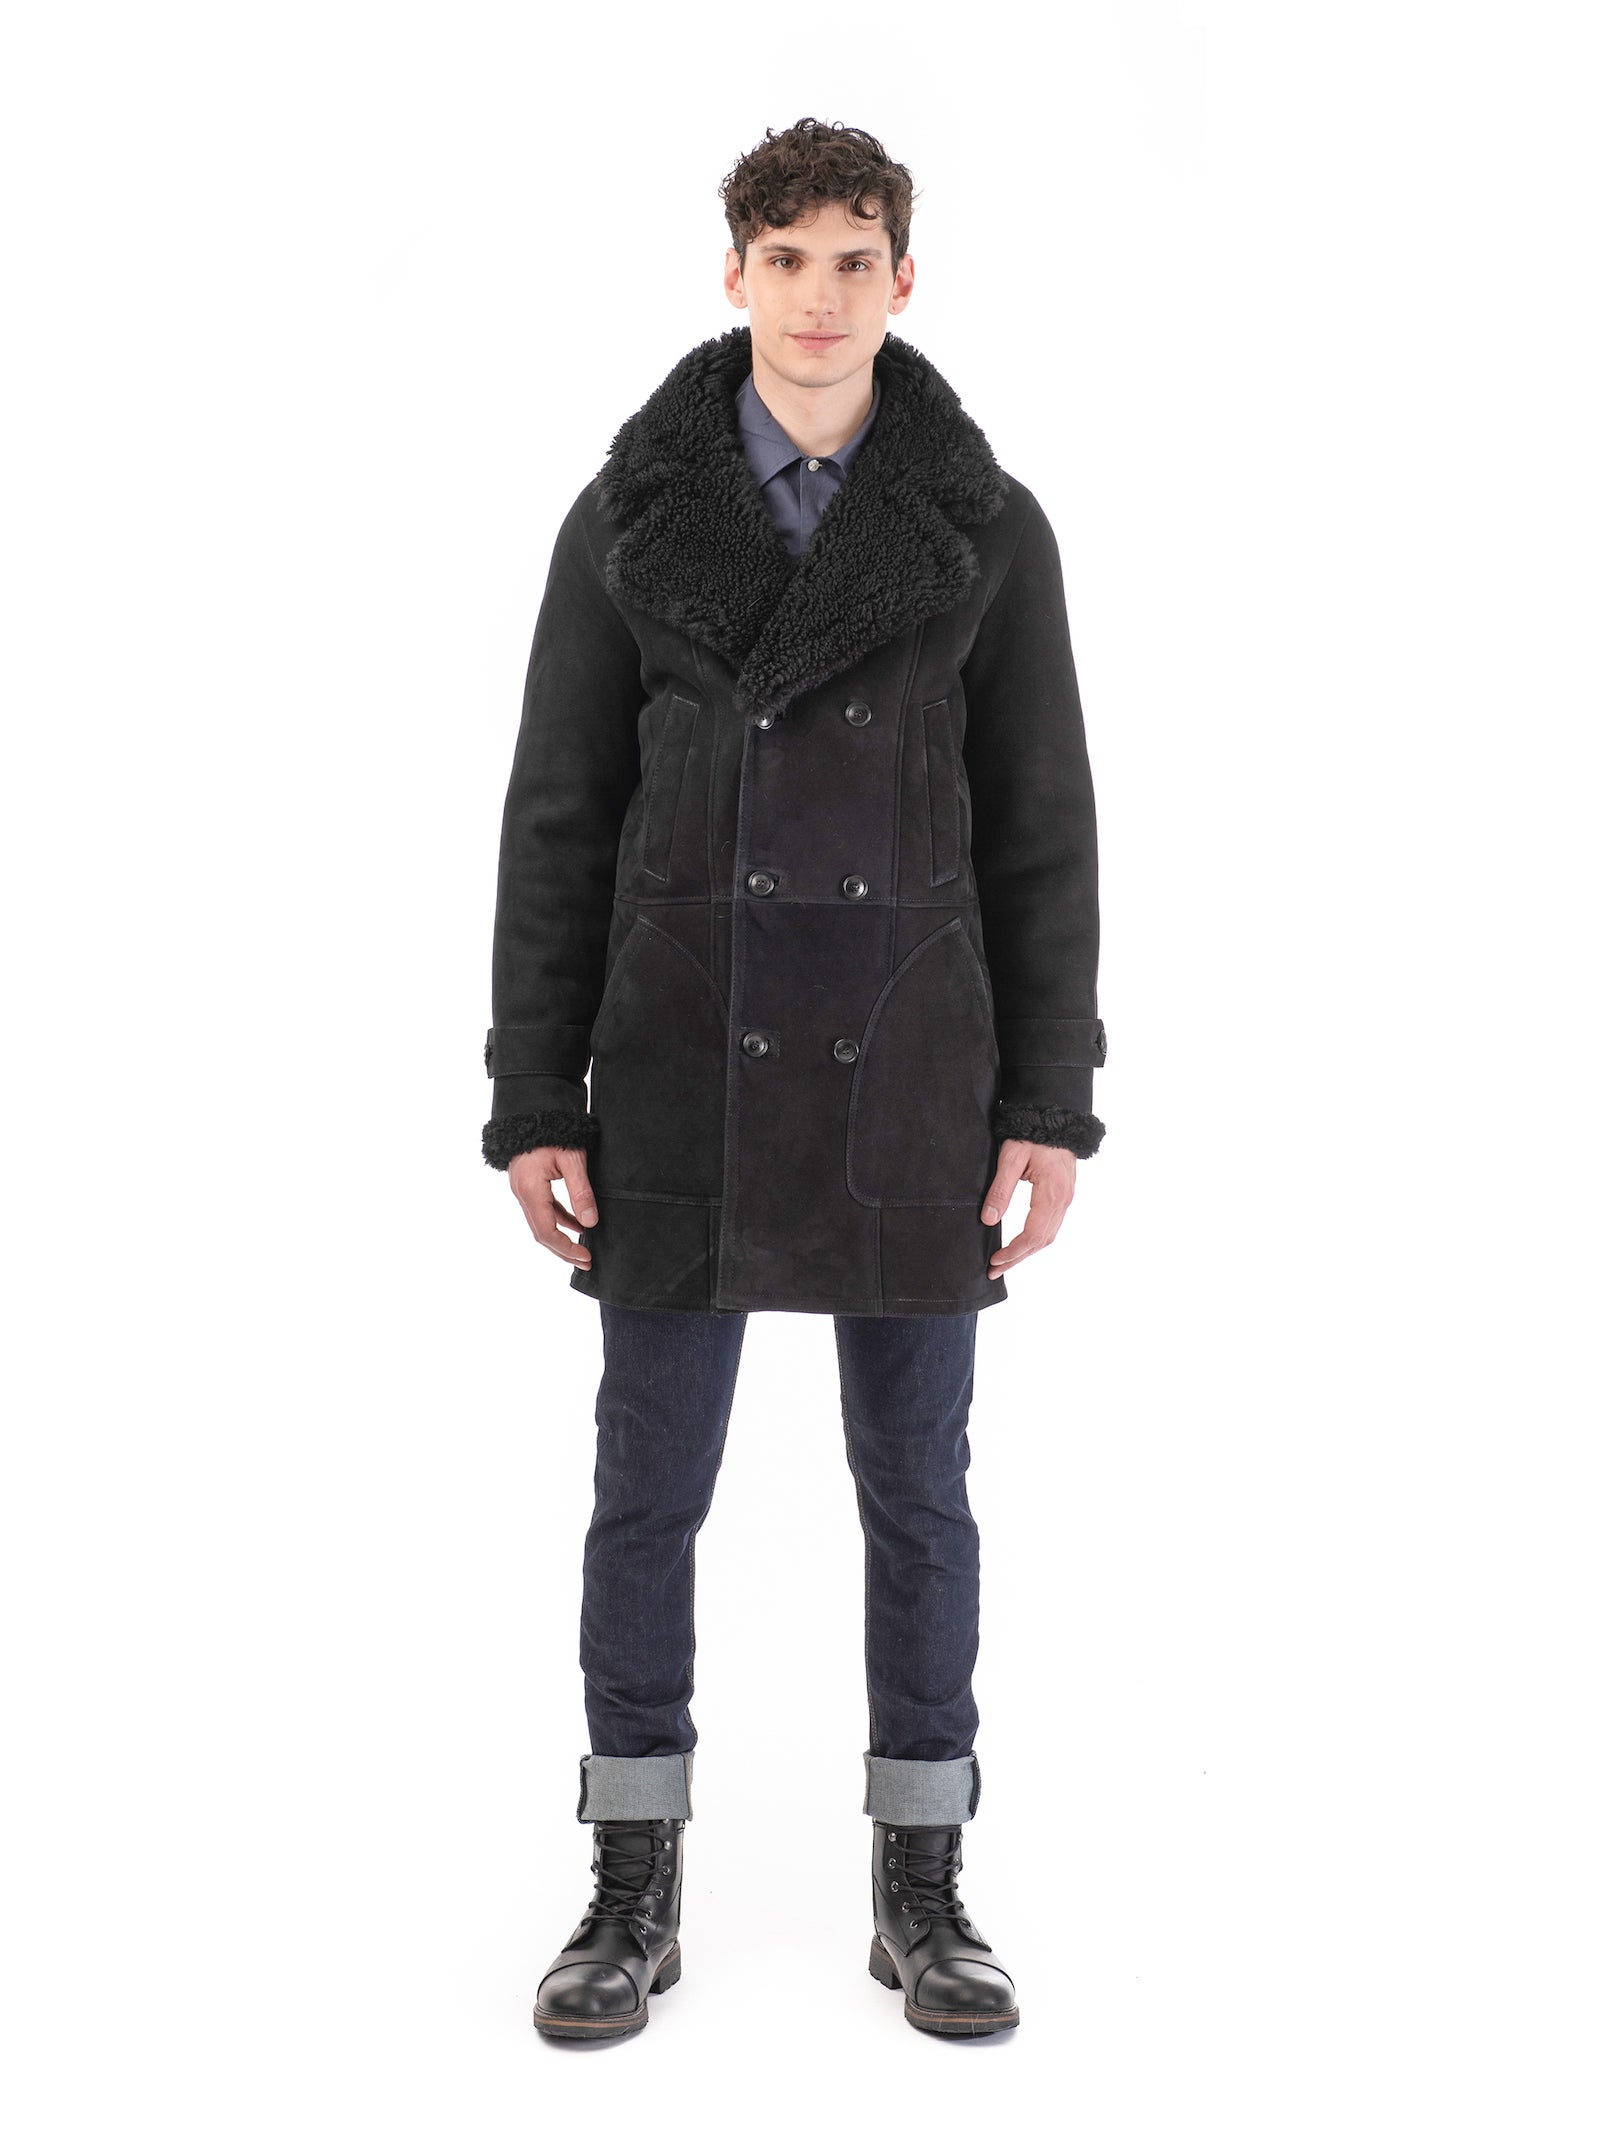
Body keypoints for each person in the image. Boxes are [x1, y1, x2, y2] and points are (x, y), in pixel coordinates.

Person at [481, 117, 1107, 2041]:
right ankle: (631, 1878)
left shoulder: (987, 529)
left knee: (919, 1494)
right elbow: (559, 816)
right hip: (680, 1062)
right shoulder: (627, 517)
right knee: (644, 1491)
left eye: (854, 261)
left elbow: (1043, 829)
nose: (819, 298)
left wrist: (1049, 1097)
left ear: (903, 280)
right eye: (787, 259)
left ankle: (923, 1884)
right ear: (733, 273)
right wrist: (537, 1093)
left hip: (915, 1066)